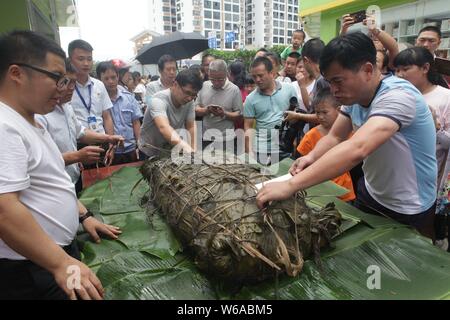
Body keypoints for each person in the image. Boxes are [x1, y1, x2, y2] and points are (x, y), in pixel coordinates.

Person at [257, 32, 437, 240]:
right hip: (371, 193)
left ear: (368, 70)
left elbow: (357, 149)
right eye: (330, 82)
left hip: (409, 206)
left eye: (338, 81)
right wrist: (310, 157)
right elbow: (335, 137)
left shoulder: (398, 97)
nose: (333, 91)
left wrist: (290, 186)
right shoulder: (356, 98)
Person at [0, 30, 112, 300]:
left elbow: (52, 181)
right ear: (16, 73)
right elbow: (4, 209)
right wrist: (61, 264)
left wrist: (84, 216)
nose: (63, 87)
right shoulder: (4, 127)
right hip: (34, 267)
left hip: (56, 256)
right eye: (56, 77)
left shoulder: (32, 121)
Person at [36, 59, 125, 195]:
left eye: (74, 82)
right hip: (53, 186)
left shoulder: (66, 107)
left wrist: (108, 137)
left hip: (72, 178)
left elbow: (81, 132)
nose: (72, 87)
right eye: (66, 82)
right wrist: (77, 156)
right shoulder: (40, 114)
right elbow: (40, 161)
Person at [394, 47, 450, 245]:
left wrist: (435, 128)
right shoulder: (397, 95)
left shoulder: (445, 98)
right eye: (397, 70)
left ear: (425, 68)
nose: (399, 75)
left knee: (425, 230)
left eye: (405, 69)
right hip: (399, 175)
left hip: (430, 178)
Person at [297, 88, 355, 202]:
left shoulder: (350, 133)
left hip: (344, 190)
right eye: (317, 112)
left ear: (339, 110)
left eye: (325, 112)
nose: (320, 116)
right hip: (318, 191)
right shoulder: (310, 136)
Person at [244, 57, 298, 165]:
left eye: (260, 75)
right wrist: (249, 152)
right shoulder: (250, 99)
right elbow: (248, 128)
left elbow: (296, 116)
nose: (257, 80)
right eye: (254, 76)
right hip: (261, 149)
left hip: (284, 147)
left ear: (272, 73)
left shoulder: (289, 89)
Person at [139, 69, 203, 158]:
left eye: (193, 95)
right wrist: (185, 146)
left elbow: (191, 126)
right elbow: (163, 127)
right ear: (175, 84)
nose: (189, 98)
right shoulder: (158, 100)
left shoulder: (190, 101)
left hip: (169, 150)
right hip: (149, 150)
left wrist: (194, 149)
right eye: (187, 92)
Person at [97, 61, 143, 165]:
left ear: (118, 76)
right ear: (100, 80)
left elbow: (136, 123)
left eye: (113, 77)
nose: (111, 81)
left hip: (130, 149)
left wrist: (139, 145)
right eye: (106, 78)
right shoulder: (97, 100)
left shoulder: (129, 98)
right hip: (111, 151)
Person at [195, 59, 243, 154]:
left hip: (226, 139)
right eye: (213, 79)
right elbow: (196, 109)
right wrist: (207, 110)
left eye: (220, 79)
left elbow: (239, 115)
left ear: (227, 74)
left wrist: (224, 113)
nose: (216, 82)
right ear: (209, 74)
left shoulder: (234, 90)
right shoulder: (204, 86)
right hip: (206, 137)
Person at [68, 40, 114, 136]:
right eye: (81, 59)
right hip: (79, 142)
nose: (86, 63)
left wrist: (110, 141)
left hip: (102, 140)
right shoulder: (66, 87)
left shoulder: (99, 85)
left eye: (89, 59)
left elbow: (107, 116)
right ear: (70, 60)